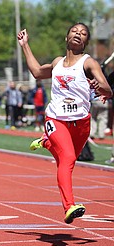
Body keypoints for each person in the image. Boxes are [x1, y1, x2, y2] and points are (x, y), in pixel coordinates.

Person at [17, 23, 113, 224]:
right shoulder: (57, 63)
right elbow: (36, 71)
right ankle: (69, 206)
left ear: (85, 42)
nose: (78, 34)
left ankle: (46, 142)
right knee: (67, 157)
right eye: (75, 31)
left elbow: (107, 90)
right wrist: (25, 45)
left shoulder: (88, 63)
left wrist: (99, 87)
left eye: (83, 33)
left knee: (67, 161)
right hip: (56, 118)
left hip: (81, 123)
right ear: (66, 37)